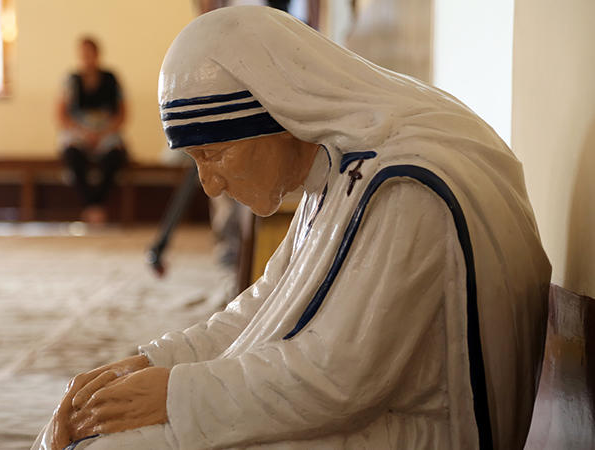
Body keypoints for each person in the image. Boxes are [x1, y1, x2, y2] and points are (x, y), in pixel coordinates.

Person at [33, 6, 551, 450]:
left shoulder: (404, 188)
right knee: (96, 430)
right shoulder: (335, 175)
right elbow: (261, 309)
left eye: (213, 153)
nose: (209, 184)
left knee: (110, 444)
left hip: (416, 433)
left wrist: (175, 393)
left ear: (279, 111)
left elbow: (338, 378)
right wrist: (147, 363)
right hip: (360, 417)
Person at [57, 37, 128, 224]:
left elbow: (122, 113)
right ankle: (92, 206)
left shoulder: (111, 78)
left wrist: (103, 132)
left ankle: (95, 206)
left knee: (116, 154)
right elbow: (62, 115)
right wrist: (83, 132)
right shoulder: (71, 80)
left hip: (106, 131)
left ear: (98, 54)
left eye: (91, 53)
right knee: (71, 154)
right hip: (79, 132)